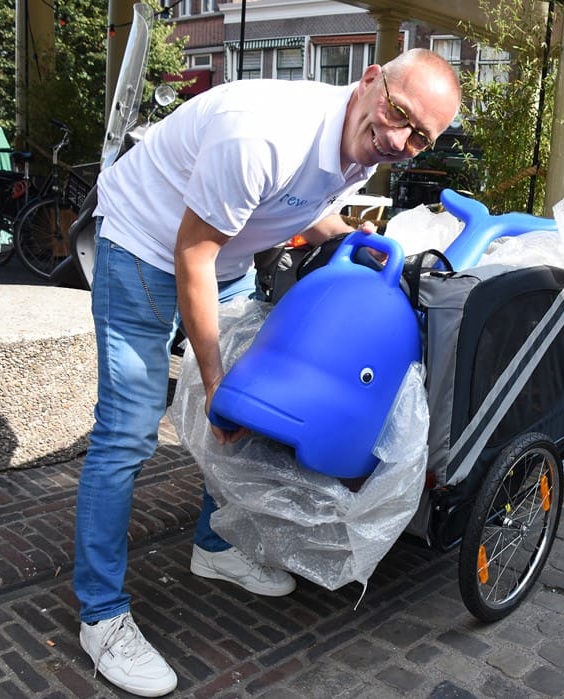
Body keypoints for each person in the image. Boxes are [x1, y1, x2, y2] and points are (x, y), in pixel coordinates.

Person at [74, 49, 461, 697]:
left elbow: (296, 203)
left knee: (250, 405)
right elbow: (191, 253)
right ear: (370, 80)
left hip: (222, 259)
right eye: (399, 115)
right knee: (128, 433)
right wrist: (214, 382)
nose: (400, 141)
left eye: (420, 136)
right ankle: (101, 615)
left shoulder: (364, 146)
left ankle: (214, 546)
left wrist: (351, 237)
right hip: (144, 245)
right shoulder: (262, 133)